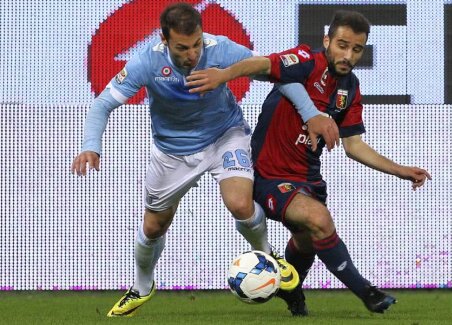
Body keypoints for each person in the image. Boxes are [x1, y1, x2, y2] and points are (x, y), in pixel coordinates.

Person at [186, 10, 431, 316]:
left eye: (356, 49)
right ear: (327, 40)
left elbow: (353, 146)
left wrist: (401, 171)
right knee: (319, 219)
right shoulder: (305, 60)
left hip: (309, 180)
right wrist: (223, 75)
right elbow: (262, 64)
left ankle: (294, 296)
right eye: (342, 45)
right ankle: (367, 292)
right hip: (269, 177)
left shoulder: (350, 89)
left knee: (306, 243)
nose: (348, 54)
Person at [71, 2, 299, 317]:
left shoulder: (219, 49)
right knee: (153, 226)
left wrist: (311, 114)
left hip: (225, 136)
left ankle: (267, 254)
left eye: (195, 44)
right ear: (165, 41)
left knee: (240, 204)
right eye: (182, 47)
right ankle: (142, 287)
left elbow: (273, 70)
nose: (192, 54)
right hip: (172, 153)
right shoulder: (145, 63)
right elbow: (101, 105)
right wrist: (91, 145)